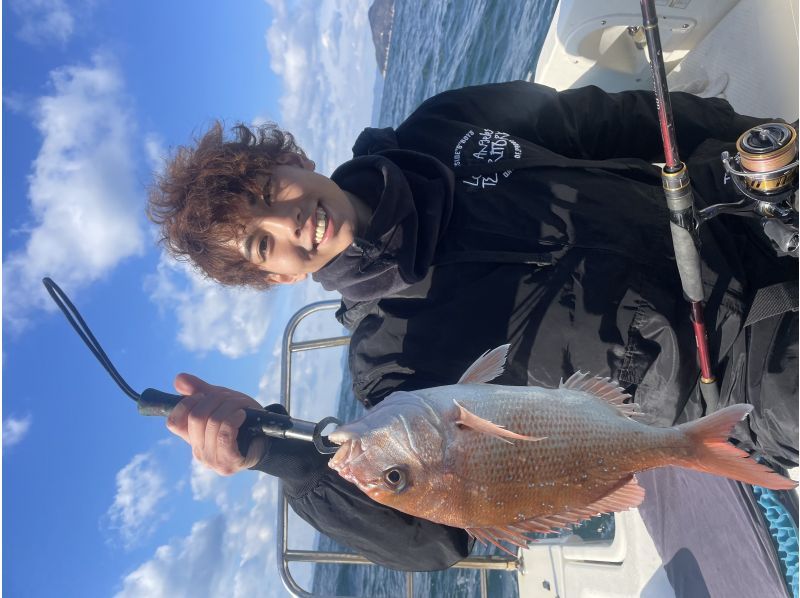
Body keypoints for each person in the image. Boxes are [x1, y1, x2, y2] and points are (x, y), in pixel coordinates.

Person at [149, 81, 798, 571]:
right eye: (263, 246)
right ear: (279, 279)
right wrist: (277, 454)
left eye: (270, 194)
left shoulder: (441, 127)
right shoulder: (391, 365)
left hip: (729, 207)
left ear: (292, 158)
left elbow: (606, 122)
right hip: (735, 372)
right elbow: (433, 533)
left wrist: (746, 145)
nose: (289, 223)